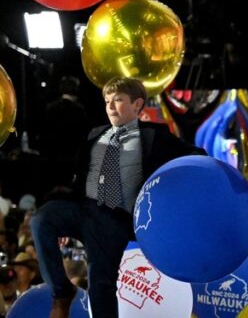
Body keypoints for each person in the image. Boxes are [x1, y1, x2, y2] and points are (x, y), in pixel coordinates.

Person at [30, 77, 199, 318]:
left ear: (137, 104)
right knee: (42, 218)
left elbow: (194, 156)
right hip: (84, 208)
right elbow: (78, 180)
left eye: (117, 100)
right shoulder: (95, 133)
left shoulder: (155, 136)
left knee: (100, 283)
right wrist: (63, 217)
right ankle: (61, 292)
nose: (110, 106)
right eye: (107, 100)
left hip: (115, 218)